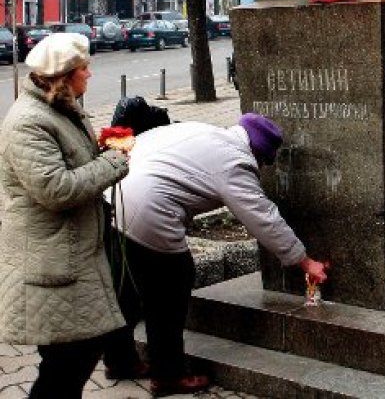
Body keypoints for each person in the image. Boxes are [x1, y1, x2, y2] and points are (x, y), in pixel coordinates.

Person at [103, 111, 328, 398]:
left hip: (114, 199)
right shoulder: (235, 162)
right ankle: (168, 374)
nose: (260, 167)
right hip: (148, 211)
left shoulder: (202, 130)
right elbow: (264, 218)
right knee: (170, 289)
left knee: (128, 290)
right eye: (263, 161)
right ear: (258, 153)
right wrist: (305, 261)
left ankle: (119, 360)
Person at [0, 33, 130, 399]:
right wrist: (113, 163)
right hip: (51, 263)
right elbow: (56, 190)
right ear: (62, 76)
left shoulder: (59, 108)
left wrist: (103, 148)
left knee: (73, 358)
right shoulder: (29, 121)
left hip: (71, 258)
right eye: (83, 68)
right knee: (67, 362)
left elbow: (72, 162)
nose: (89, 73)